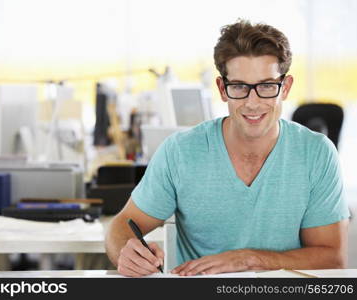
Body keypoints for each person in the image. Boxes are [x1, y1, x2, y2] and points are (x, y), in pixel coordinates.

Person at [105, 20, 350, 277]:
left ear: (285, 88)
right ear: (223, 89)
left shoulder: (316, 152)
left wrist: (248, 259)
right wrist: (126, 251)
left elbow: (332, 259)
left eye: (267, 86)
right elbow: (121, 226)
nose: (253, 103)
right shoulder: (180, 152)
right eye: (240, 87)